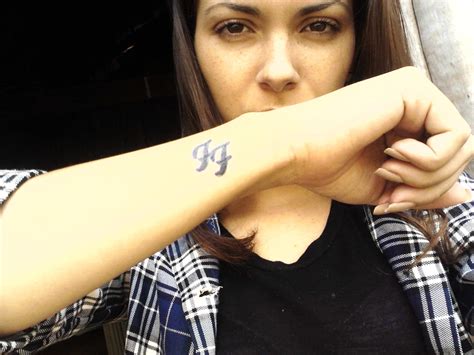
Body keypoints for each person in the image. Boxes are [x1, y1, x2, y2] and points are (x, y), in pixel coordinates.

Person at [1, 0, 473, 353]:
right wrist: (279, 143)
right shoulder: (149, 237)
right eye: (234, 27)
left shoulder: (443, 207)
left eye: (319, 25)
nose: (279, 70)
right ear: (193, 45)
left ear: (358, 38)